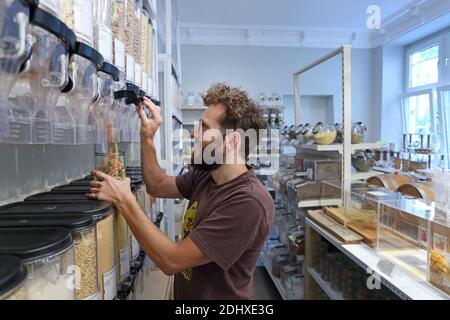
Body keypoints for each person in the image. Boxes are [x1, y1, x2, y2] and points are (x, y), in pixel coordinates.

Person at [87, 83, 274, 300]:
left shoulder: (249, 203)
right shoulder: (207, 174)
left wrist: (125, 199)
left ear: (232, 141)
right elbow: (157, 185)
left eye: (203, 127)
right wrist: (147, 138)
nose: (193, 133)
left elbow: (172, 261)